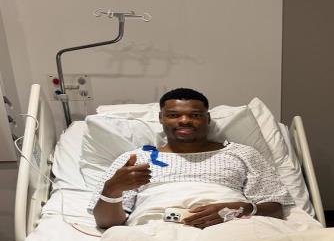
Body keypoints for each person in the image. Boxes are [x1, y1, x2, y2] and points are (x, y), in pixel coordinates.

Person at [89, 88, 295, 229]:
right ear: (161, 118)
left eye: (194, 115)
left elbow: (276, 208)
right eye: (173, 115)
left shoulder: (242, 154)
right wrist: (111, 189)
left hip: (233, 227)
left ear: (208, 118)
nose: (184, 121)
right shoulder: (135, 159)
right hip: (155, 231)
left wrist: (238, 209)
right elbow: (107, 223)